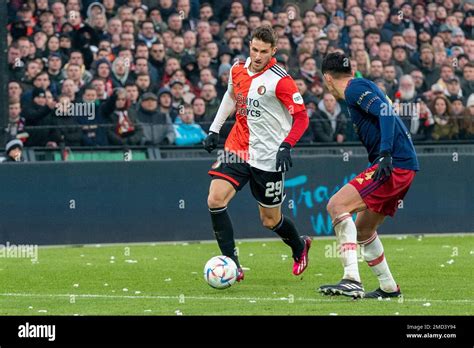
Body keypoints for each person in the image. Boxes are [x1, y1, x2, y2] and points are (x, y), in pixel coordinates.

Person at [203, 26, 312, 282]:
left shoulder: (280, 80)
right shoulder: (237, 69)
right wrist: (214, 129)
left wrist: (287, 146)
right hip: (238, 148)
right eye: (254, 49)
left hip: (268, 157)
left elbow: (302, 117)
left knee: (270, 220)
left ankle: (299, 245)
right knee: (215, 200)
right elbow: (231, 96)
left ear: (273, 51)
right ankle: (232, 264)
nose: (258, 55)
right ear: (249, 46)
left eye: (264, 51)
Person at [319, 52, 419, 298]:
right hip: (401, 164)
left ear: (327, 78)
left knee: (336, 205)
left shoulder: (354, 89)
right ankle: (388, 287)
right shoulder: (362, 85)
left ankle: (351, 278)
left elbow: (385, 112)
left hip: (393, 164)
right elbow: (386, 109)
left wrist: (385, 153)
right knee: (363, 230)